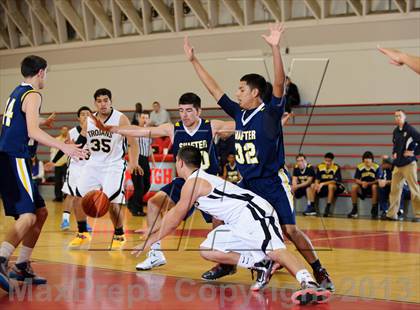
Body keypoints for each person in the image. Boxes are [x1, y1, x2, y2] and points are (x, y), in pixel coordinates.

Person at [184, 23, 334, 291]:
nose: (237, 93)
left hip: (273, 182)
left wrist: (275, 48)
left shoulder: (270, 114)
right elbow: (214, 90)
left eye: (242, 89)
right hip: (248, 183)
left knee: (289, 230)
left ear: (254, 92)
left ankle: (318, 270)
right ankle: (232, 263)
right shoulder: (240, 114)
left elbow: (277, 83)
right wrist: (194, 61)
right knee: (222, 213)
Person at [131, 146, 331, 304]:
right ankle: (260, 265)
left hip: (253, 212)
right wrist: (153, 230)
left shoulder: (194, 183)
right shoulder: (198, 180)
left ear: (179, 162)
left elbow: (175, 217)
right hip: (237, 221)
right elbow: (174, 214)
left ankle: (309, 282)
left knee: (275, 250)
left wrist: (151, 239)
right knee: (208, 249)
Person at [97, 92, 235, 275]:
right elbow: (142, 131)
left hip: (207, 183)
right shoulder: (173, 129)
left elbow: (240, 124)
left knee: (218, 221)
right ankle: (155, 253)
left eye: (189, 111)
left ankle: (224, 263)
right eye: (181, 110)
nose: (184, 115)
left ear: (199, 111)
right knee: (154, 203)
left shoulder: (211, 126)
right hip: (184, 181)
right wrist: (115, 129)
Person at [0, 55, 84, 292]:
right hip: (14, 158)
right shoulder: (34, 94)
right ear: (40, 72)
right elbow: (32, 131)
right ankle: (2, 258)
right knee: (27, 217)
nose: (46, 76)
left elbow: (23, 123)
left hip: (12, 158)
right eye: (46, 72)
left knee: (41, 212)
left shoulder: (18, 92)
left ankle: (22, 265)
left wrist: (40, 122)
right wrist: (64, 146)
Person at [68, 88, 141, 250]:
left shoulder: (120, 118)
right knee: (78, 197)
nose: (103, 104)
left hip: (113, 165)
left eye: (106, 100)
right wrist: (71, 147)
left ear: (111, 101)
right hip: (93, 163)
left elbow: (132, 142)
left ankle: (119, 234)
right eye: (99, 101)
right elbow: (82, 139)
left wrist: (134, 162)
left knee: (112, 202)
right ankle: (82, 233)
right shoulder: (90, 120)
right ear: (95, 103)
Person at [58, 106, 92, 231]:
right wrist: (54, 162)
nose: (85, 116)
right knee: (71, 193)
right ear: (78, 118)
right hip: (76, 166)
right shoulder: (72, 132)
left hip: (89, 167)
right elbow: (64, 149)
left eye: (88, 114)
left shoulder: (95, 130)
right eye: (83, 114)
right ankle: (65, 220)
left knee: (85, 196)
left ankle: (84, 221)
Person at [386, 110, 420, 221]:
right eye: (395, 116)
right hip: (398, 165)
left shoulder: (410, 129)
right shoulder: (395, 131)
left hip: (409, 164)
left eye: (399, 116)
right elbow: (395, 145)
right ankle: (392, 214)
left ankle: (418, 215)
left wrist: (414, 152)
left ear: (404, 117)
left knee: (414, 189)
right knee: (394, 190)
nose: (397, 118)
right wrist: (394, 153)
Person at [128, 111, 155, 216]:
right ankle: (137, 209)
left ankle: (132, 202)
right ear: (139, 119)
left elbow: (149, 147)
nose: (144, 120)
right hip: (137, 159)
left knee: (147, 185)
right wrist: (132, 163)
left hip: (145, 160)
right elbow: (130, 147)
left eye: (146, 118)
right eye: (143, 117)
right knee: (139, 186)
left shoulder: (148, 132)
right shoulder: (134, 131)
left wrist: (152, 162)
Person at [310, 153, 345, 218]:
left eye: (329, 161)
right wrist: (317, 184)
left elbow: (335, 181)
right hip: (323, 187)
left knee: (331, 186)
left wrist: (323, 183)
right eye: (326, 161)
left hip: (335, 187)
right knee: (312, 185)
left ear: (332, 161)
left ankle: (328, 208)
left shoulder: (336, 167)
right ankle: (312, 207)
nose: (327, 163)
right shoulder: (320, 166)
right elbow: (317, 179)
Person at [348, 151, 380, 219]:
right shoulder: (360, 166)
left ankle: (374, 209)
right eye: (365, 160)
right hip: (363, 187)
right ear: (363, 160)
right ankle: (354, 209)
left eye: (369, 159)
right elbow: (356, 179)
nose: (367, 161)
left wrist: (368, 183)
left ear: (372, 160)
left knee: (374, 187)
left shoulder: (376, 166)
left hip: (372, 187)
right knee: (354, 187)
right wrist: (362, 183)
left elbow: (378, 180)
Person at [50, 126, 69, 202]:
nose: (64, 131)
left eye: (66, 130)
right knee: (57, 181)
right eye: (63, 130)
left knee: (67, 181)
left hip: (66, 163)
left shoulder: (69, 140)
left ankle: (67, 196)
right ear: (60, 130)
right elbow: (53, 151)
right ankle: (58, 196)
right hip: (57, 164)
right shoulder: (56, 140)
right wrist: (52, 162)